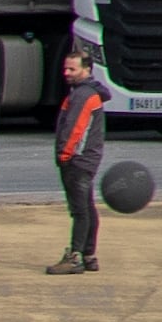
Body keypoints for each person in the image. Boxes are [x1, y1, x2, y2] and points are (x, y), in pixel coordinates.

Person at [49, 39, 112, 275]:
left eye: (72, 69)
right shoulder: (86, 92)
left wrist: (64, 155)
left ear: (86, 70)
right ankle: (88, 255)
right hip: (86, 160)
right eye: (65, 69)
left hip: (78, 161)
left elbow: (75, 128)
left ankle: (75, 256)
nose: (66, 73)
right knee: (86, 207)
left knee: (79, 210)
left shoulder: (83, 95)